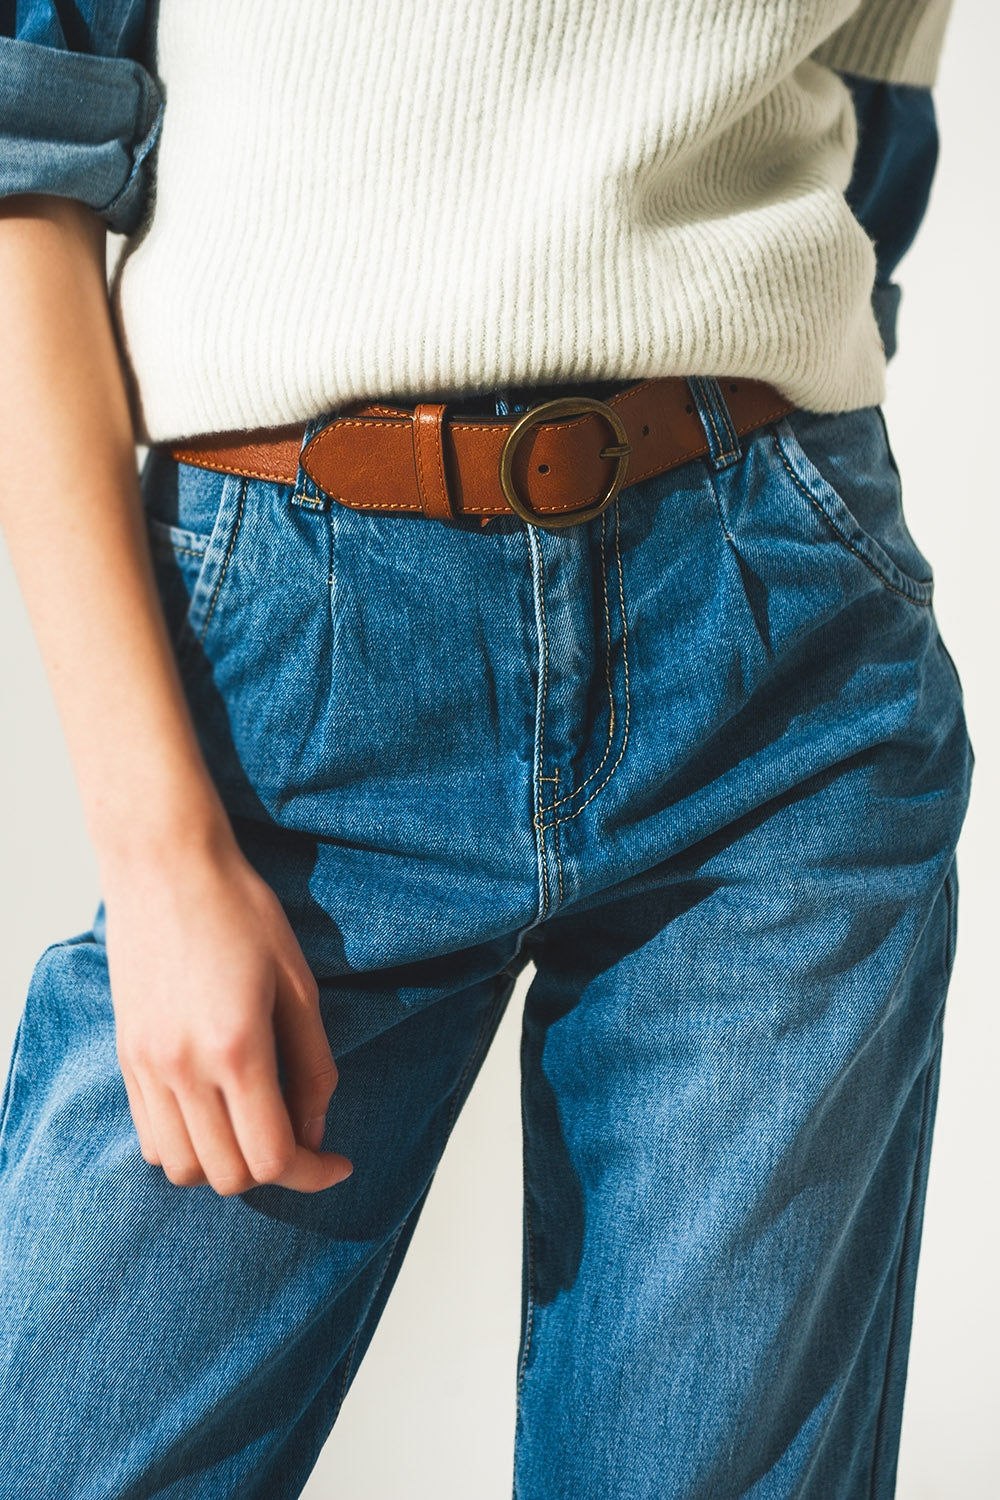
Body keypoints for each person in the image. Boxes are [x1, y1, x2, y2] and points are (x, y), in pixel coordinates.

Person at [0, 3, 972, 1497]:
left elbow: (868, 136)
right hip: (298, 666)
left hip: (778, 664)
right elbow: (21, 161)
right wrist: (162, 849)